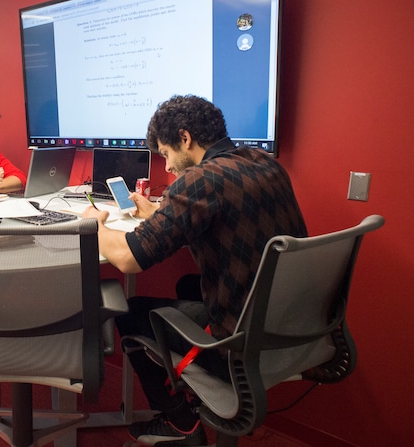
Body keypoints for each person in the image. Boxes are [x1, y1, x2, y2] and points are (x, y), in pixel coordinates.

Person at [83, 95, 307, 446]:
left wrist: (95, 226)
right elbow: (226, 222)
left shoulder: (201, 179)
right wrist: (159, 216)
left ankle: (179, 422)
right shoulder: (265, 164)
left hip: (241, 341)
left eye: (167, 154)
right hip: (292, 326)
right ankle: (199, 395)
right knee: (189, 283)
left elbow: (127, 258)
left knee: (129, 313)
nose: (168, 167)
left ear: (185, 138)